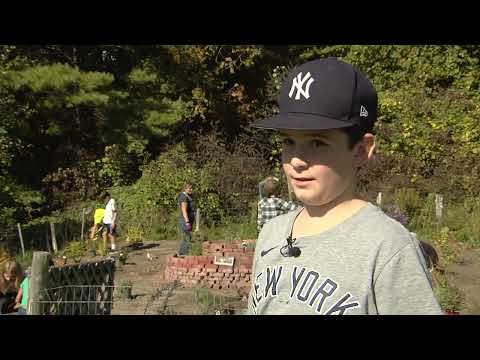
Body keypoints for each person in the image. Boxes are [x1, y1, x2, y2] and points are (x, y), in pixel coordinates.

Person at [247, 57, 442, 315]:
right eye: (288, 142)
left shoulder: (387, 246)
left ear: (361, 151)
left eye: (318, 143)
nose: (296, 160)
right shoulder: (272, 233)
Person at [177, 182, 195, 256]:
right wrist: (187, 222)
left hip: (187, 220)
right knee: (187, 237)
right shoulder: (183, 197)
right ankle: (184, 254)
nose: (191, 189)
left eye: (192, 188)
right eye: (189, 188)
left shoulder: (188, 196)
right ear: (185, 188)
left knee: (186, 237)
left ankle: (181, 253)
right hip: (185, 221)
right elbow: (184, 210)